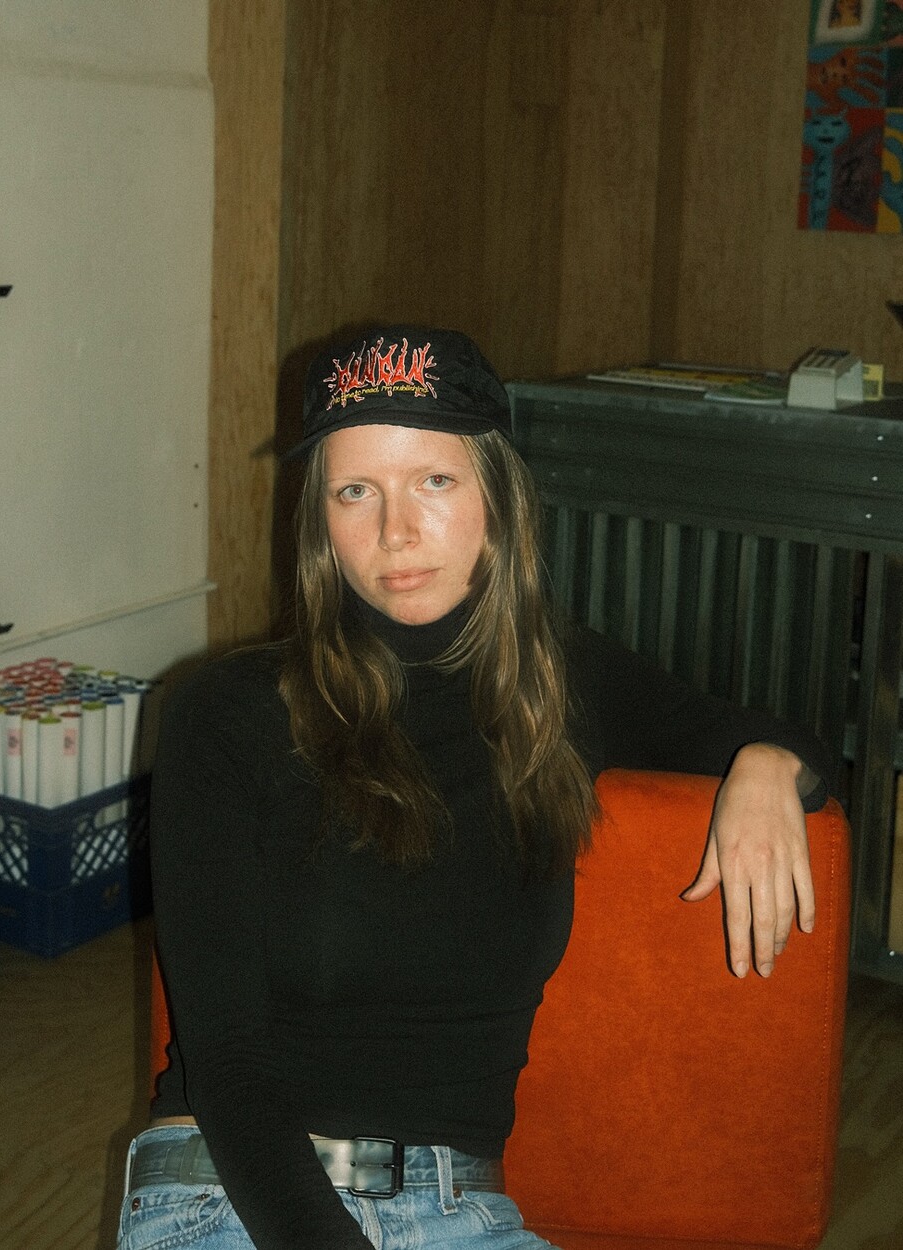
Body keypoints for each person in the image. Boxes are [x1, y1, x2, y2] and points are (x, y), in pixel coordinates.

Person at [116, 326, 835, 1250]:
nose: (395, 531)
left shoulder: (562, 683)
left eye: (434, 481)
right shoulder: (227, 712)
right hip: (229, 1198)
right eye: (355, 491)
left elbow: (789, 740)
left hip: (463, 1216)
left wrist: (769, 765)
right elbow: (226, 1061)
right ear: (319, 518)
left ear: (498, 494)